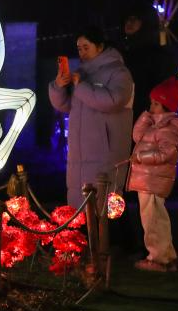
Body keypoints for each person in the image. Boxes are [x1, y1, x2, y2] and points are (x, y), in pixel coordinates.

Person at [49, 27, 134, 209]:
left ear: (100, 47)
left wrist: (81, 86)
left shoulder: (119, 72)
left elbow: (113, 101)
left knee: (105, 207)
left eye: (86, 47)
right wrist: (58, 86)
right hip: (79, 150)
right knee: (79, 206)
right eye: (79, 48)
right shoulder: (81, 73)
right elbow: (64, 105)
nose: (82, 53)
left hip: (106, 150)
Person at [129, 76, 178, 273]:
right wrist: (147, 117)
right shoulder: (156, 126)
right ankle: (166, 257)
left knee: (153, 221)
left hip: (153, 180)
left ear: (166, 105)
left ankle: (158, 259)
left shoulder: (168, 130)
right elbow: (137, 136)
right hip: (148, 179)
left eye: (155, 104)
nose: (151, 107)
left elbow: (166, 153)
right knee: (154, 219)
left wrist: (140, 157)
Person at [121, 11, 178, 118]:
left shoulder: (157, 55)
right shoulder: (122, 52)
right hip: (124, 115)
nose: (129, 23)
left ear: (146, 22)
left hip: (146, 116)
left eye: (134, 19)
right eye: (127, 19)